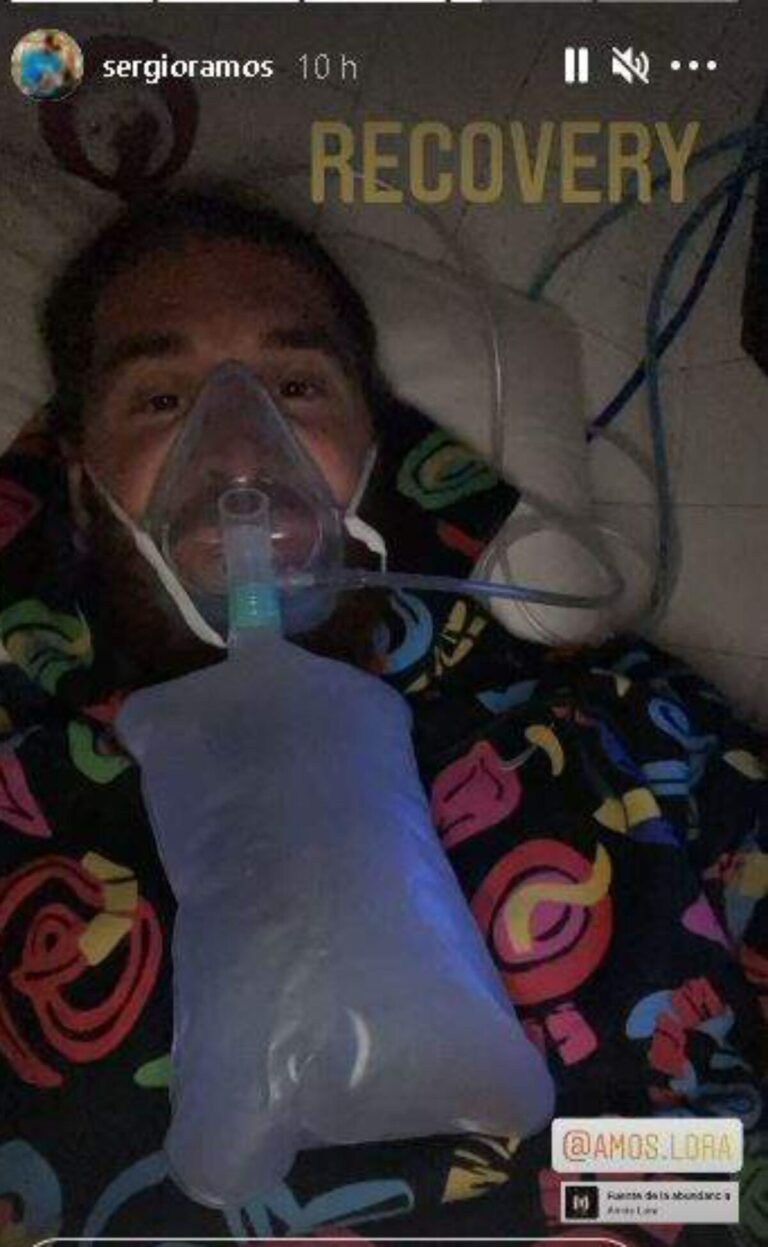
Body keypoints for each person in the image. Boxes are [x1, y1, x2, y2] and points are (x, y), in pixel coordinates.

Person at [1, 190, 765, 1243]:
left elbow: (728, 1177)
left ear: (376, 447)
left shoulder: (629, 731)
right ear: (84, 488)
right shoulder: (20, 796)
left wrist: (578, 1183)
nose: (238, 453)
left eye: (296, 385)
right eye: (162, 399)